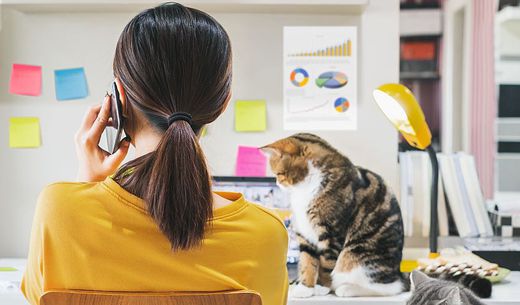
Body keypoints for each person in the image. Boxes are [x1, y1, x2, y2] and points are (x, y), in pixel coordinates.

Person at [21, 3, 288, 305]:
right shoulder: (266, 233)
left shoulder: (59, 210)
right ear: (223, 103)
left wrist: (86, 186)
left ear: (119, 97)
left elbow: (37, 296)